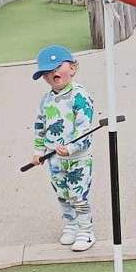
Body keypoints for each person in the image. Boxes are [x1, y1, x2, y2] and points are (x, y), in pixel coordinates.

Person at [30, 45, 96, 251]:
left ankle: (86, 231)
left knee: (78, 194)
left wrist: (72, 148)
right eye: (46, 72)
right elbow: (40, 126)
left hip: (78, 158)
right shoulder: (46, 100)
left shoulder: (80, 96)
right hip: (54, 158)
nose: (52, 74)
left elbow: (85, 128)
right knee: (62, 194)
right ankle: (71, 225)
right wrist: (38, 151)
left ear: (73, 68)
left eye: (57, 67)